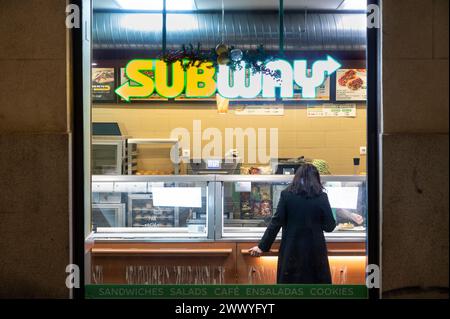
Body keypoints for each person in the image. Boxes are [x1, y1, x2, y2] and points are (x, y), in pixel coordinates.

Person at [248, 163, 336, 284]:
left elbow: (276, 222)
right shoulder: (321, 197)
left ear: (297, 177)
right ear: (316, 179)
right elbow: (330, 226)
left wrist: (262, 246)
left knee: (290, 291)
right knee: (316, 291)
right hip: (315, 252)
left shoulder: (287, 195)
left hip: (291, 250)